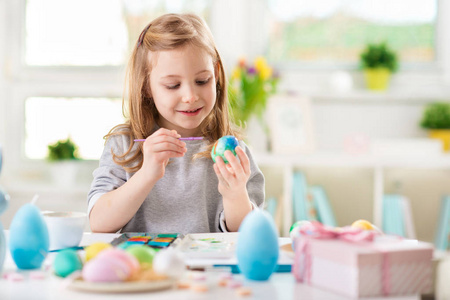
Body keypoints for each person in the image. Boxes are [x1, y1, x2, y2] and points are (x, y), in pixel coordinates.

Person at [87, 13, 264, 234]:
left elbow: (245, 236)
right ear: (146, 87)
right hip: (142, 266)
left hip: (205, 268)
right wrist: (146, 174)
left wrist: (235, 193)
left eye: (202, 81)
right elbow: (99, 223)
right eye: (173, 85)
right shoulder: (125, 145)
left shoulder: (234, 153)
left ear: (216, 74)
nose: (190, 96)